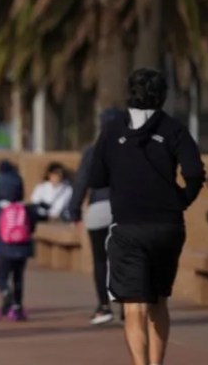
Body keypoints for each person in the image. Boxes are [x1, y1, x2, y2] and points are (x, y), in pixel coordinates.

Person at [88, 68, 205, 365]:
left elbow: (96, 177)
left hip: (128, 227)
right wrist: (179, 201)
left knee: (134, 308)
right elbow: (194, 174)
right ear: (163, 95)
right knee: (159, 301)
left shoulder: (113, 130)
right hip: (168, 227)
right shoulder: (174, 128)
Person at [69, 108, 124, 326]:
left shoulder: (92, 152)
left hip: (98, 209)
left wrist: (74, 211)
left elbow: (81, 182)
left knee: (100, 261)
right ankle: (128, 308)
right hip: (125, 211)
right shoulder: (132, 149)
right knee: (123, 260)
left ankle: (104, 307)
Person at [0, 159, 34, 321]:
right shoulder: (25, 207)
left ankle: (6, 293)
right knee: (18, 278)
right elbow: (31, 227)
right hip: (23, 248)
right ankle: (17, 308)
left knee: (1, 278)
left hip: (5, 248)